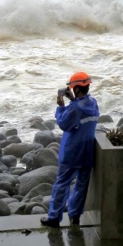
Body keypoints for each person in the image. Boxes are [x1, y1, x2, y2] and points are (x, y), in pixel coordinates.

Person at [41, 71, 100, 228]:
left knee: (62, 184)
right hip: (87, 151)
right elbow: (82, 111)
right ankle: (75, 216)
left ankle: (54, 217)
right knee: (82, 185)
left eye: (73, 88)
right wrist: (73, 100)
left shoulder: (75, 109)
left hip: (72, 151)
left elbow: (64, 123)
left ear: (77, 89)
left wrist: (61, 107)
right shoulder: (93, 103)